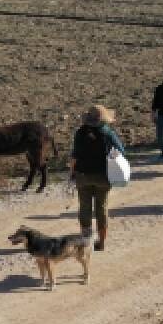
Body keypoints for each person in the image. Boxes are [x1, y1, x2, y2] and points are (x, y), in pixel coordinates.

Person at [69, 105, 125, 251]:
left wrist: (72, 173)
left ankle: (86, 242)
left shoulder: (80, 133)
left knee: (84, 208)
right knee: (102, 208)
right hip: (103, 176)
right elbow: (121, 151)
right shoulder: (108, 133)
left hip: (83, 175)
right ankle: (101, 242)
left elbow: (74, 156)